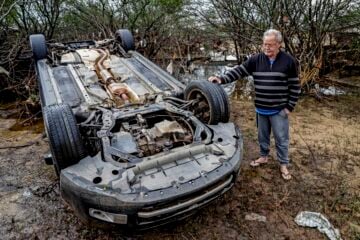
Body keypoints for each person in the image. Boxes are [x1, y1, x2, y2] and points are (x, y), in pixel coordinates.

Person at [208, 29, 300, 180]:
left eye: (270, 45)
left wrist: (289, 107)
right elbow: (239, 71)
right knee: (262, 136)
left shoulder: (289, 61)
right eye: (265, 44)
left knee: (281, 138)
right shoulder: (255, 60)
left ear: (279, 45)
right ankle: (264, 156)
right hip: (261, 108)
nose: (267, 48)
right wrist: (221, 79)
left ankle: (283, 164)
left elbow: (295, 86)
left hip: (279, 110)